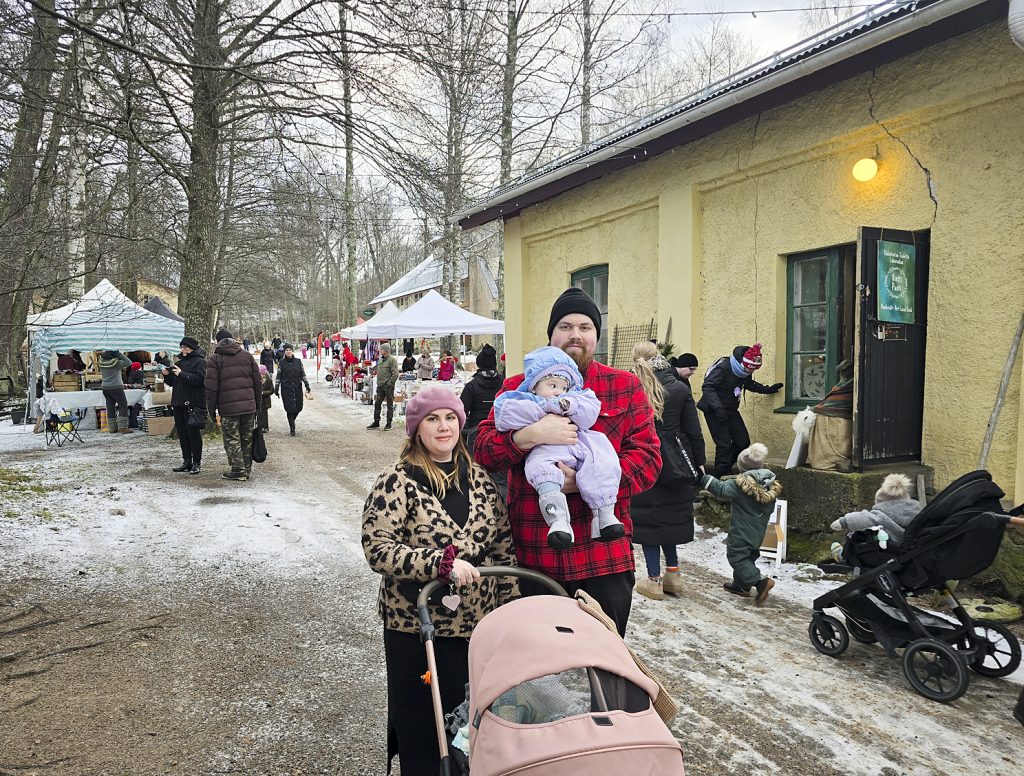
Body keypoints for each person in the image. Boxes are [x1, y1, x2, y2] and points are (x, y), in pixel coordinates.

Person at [474, 287, 661, 636]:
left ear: (595, 337)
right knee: (540, 661)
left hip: (604, 556)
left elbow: (648, 458)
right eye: (565, 326)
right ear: (551, 334)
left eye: (585, 327)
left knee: (601, 659)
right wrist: (527, 437)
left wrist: (588, 480)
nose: (575, 334)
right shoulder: (517, 387)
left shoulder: (624, 386)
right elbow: (482, 449)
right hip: (535, 552)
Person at [361, 386, 516, 776]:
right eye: (432, 419)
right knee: (423, 723)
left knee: (472, 721)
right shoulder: (397, 481)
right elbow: (377, 548)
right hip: (417, 627)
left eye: (450, 418)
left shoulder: (479, 480)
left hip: (477, 628)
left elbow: (503, 546)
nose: (443, 427)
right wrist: (439, 564)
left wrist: (512, 611)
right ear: (417, 428)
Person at [493, 345, 623, 547]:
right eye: (552, 385)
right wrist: (539, 417)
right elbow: (505, 415)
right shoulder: (522, 399)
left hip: (579, 443)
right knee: (539, 469)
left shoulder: (578, 397)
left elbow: (589, 413)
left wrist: (570, 405)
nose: (558, 392)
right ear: (534, 386)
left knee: (602, 459)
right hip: (546, 450)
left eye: (563, 388)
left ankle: (605, 516)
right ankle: (558, 522)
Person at [630, 342, 706, 600]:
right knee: (670, 518)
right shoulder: (680, 387)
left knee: (650, 521)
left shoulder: (633, 386)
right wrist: (699, 461)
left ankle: (653, 580)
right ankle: (673, 575)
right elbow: (694, 430)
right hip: (676, 461)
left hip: (643, 459)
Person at [699, 442, 781, 603]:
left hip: (742, 530)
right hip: (759, 530)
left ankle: (760, 582)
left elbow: (720, 488)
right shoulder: (769, 483)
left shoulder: (740, 484)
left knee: (737, 556)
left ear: (742, 468)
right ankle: (741, 586)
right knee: (748, 556)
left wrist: (704, 478)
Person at [697, 343, 783, 477]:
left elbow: (748, 383)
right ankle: (720, 477)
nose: (751, 372)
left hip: (731, 410)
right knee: (724, 445)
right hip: (714, 410)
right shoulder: (724, 367)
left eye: (754, 369)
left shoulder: (744, 371)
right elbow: (708, 387)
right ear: (743, 363)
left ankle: (725, 468)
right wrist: (718, 408)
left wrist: (767, 389)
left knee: (742, 441)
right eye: (750, 368)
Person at [206, 329, 262, 481]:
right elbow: (257, 382)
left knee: (232, 438)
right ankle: (246, 469)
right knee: (246, 438)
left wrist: (211, 409)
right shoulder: (247, 356)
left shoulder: (215, 359)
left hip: (228, 408)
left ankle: (238, 470)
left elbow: (211, 387)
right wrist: (257, 403)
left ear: (218, 342)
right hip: (248, 406)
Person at [829, 474, 922, 559]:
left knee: (859, 536)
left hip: (888, 552)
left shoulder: (880, 516)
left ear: (882, 503)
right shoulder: (918, 513)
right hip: (913, 552)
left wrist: (843, 521)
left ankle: (843, 556)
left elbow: (861, 518)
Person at [163, 337, 207, 474]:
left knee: (193, 434)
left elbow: (200, 380)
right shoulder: (179, 362)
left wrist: (182, 374)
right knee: (182, 434)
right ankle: (187, 461)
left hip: (193, 403)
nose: (183, 350)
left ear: (192, 348)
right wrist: (167, 375)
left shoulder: (200, 362)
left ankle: (196, 462)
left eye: (186, 347)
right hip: (178, 402)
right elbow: (173, 383)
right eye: (182, 347)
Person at [807, 359, 855, 471]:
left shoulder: (848, 385)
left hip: (836, 418)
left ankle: (831, 460)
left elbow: (832, 403)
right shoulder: (845, 385)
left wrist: (813, 409)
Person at [275, 344, 311, 436]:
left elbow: (303, 374)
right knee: (289, 408)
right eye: (286, 350)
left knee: (299, 407)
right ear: (284, 352)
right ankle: (292, 427)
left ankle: (292, 421)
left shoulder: (298, 361)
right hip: (286, 388)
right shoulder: (281, 363)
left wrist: (307, 384)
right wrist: (276, 387)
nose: (288, 352)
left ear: (292, 351)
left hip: (297, 387)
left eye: (289, 350)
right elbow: (278, 376)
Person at [98, 350, 132, 433]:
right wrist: (119, 354)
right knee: (123, 405)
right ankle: (122, 427)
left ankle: (112, 428)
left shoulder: (101, 362)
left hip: (105, 387)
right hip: (116, 387)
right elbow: (129, 362)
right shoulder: (116, 363)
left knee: (110, 406)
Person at [367, 343, 399, 430]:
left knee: (389, 405)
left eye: (381, 349)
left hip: (388, 386)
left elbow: (395, 374)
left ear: (386, 350)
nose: (380, 350)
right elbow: (379, 369)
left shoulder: (392, 360)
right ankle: (376, 421)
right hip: (380, 386)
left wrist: (389, 383)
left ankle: (389, 423)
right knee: (377, 404)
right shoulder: (381, 359)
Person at [126, 361, 147, 429]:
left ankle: (131, 423)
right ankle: (138, 422)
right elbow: (145, 383)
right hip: (141, 394)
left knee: (131, 408)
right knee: (139, 407)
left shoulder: (130, 375)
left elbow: (129, 383)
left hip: (131, 394)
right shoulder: (143, 374)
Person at [258, 365, 274, 432]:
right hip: (259, 400)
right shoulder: (257, 380)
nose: (261, 375)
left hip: (265, 400)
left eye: (262, 374)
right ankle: (259, 426)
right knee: (259, 413)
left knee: (264, 414)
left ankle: (265, 427)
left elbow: (272, 390)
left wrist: (264, 393)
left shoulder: (269, 380)